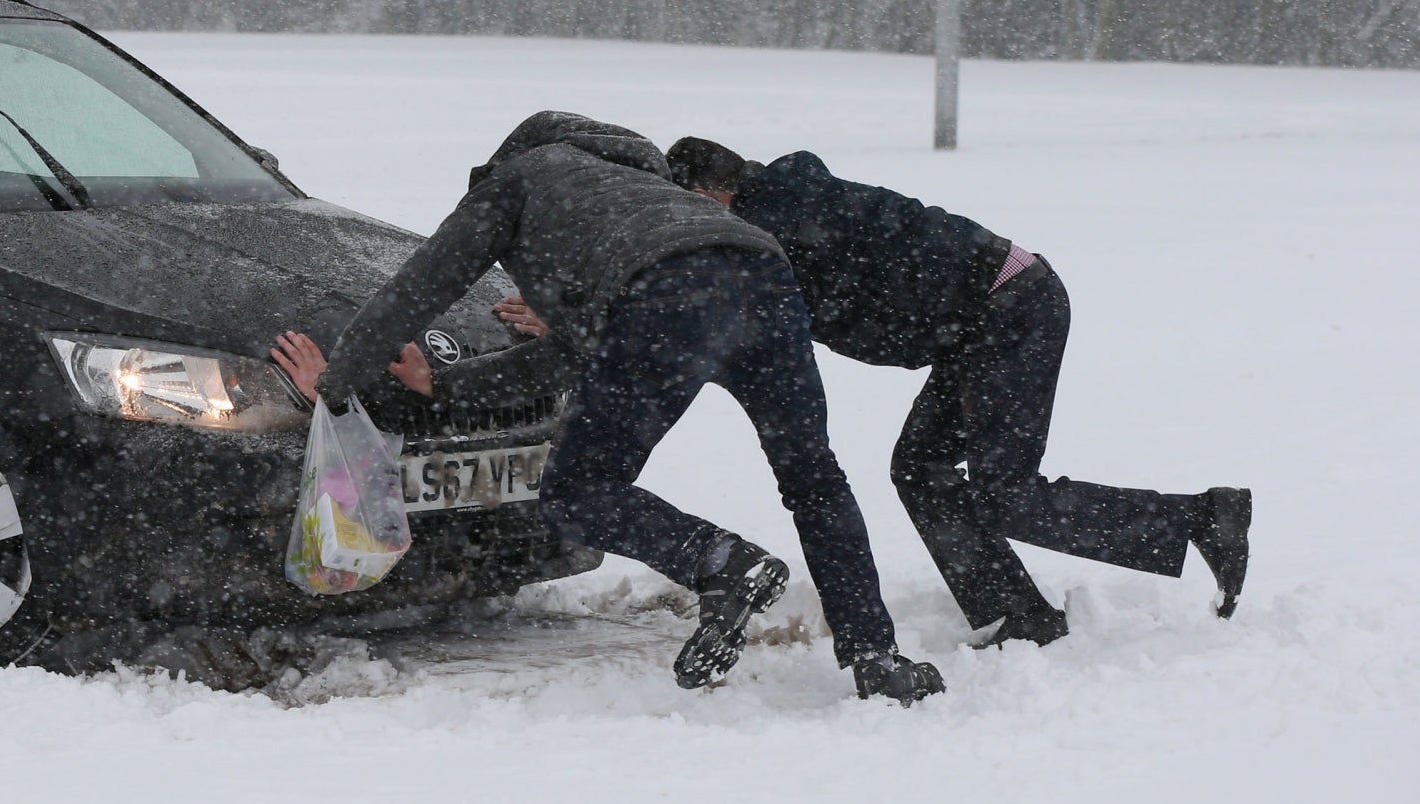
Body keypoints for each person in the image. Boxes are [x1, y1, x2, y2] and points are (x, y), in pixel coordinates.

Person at [292, 111, 946, 704]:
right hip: (765, 279)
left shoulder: (518, 180)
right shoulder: (636, 194)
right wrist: (446, 385)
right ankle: (875, 656)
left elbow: (415, 290)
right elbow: (575, 351)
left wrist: (338, 379)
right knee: (813, 478)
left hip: (665, 294)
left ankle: (720, 562)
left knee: (576, 492)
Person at [653, 137, 1253, 644]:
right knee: (920, 467)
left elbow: (775, 315)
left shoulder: (785, 224)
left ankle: (1200, 518)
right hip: (981, 321)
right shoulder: (781, 215)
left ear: (710, 195)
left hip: (1011, 304)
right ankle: (1016, 615)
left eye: (688, 211)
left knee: (1005, 492)